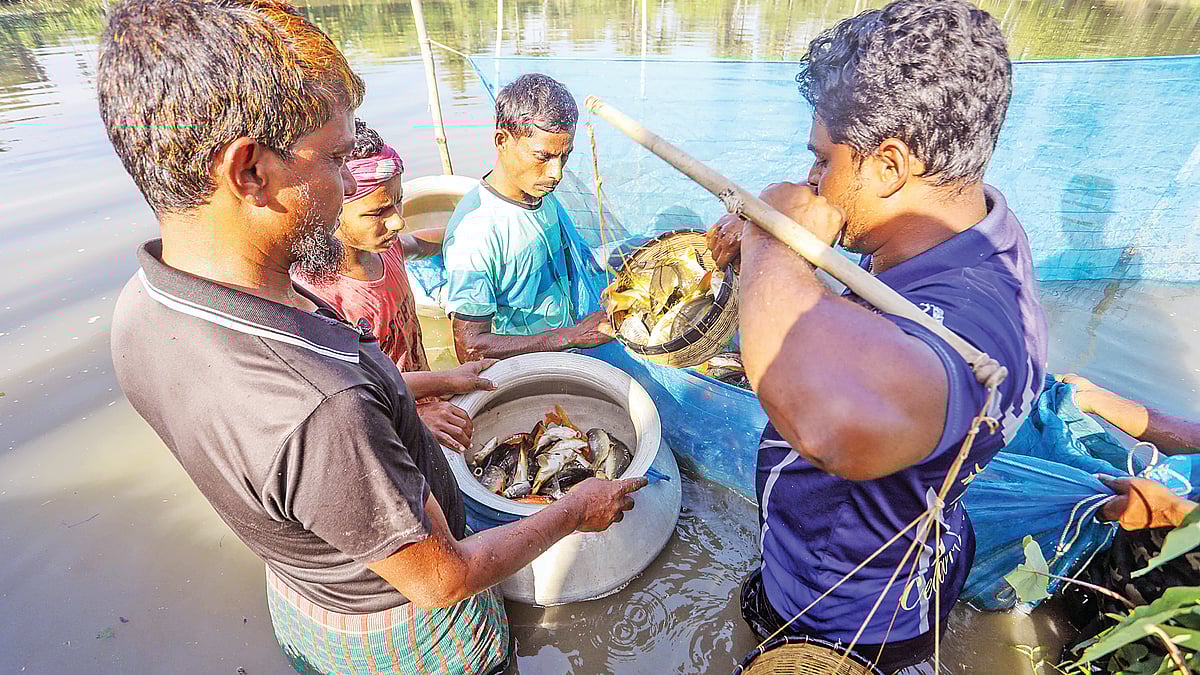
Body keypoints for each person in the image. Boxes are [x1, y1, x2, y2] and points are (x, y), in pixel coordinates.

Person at [99, 3, 645, 674]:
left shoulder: (143, 305)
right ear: (248, 172)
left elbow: (300, 462)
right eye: (333, 158)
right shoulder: (318, 407)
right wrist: (573, 510)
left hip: (309, 587)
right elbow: (442, 577)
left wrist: (418, 381)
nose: (343, 184)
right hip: (411, 637)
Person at [707, 1, 1048, 672]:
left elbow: (839, 425)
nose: (813, 179)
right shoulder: (973, 231)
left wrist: (775, 232)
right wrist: (778, 262)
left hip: (849, 606)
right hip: (901, 547)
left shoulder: (978, 319)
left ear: (890, 165)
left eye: (823, 160)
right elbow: (873, 335)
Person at [295, 119, 493, 452]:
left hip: (427, 394)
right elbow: (353, 390)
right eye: (378, 212)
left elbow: (424, 242)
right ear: (331, 208)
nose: (397, 220)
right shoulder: (317, 297)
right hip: (390, 423)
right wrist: (442, 386)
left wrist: (472, 233)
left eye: (398, 202)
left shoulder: (388, 249)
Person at [441, 73, 613, 362]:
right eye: (542, 157)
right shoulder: (477, 234)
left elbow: (578, 259)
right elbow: (470, 348)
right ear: (502, 141)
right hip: (523, 369)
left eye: (564, 156)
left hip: (563, 346)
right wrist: (566, 338)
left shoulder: (540, 196)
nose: (556, 174)